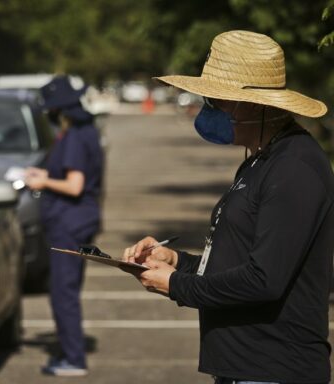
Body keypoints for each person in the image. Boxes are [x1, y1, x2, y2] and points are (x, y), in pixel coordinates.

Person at [123, 30, 334, 384]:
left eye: (217, 100)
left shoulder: (295, 168)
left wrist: (176, 285)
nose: (209, 108)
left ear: (252, 104)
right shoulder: (258, 160)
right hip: (242, 369)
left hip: (273, 370)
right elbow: (234, 260)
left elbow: (264, 280)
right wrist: (175, 261)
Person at [25, 75, 103, 377]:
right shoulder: (86, 132)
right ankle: (72, 352)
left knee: (63, 292)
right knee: (67, 289)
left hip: (69, 223)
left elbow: (74, 185)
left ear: (59, 111)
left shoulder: (74, 137)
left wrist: (42, 180)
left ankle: (74, 358)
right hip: (78, 221)